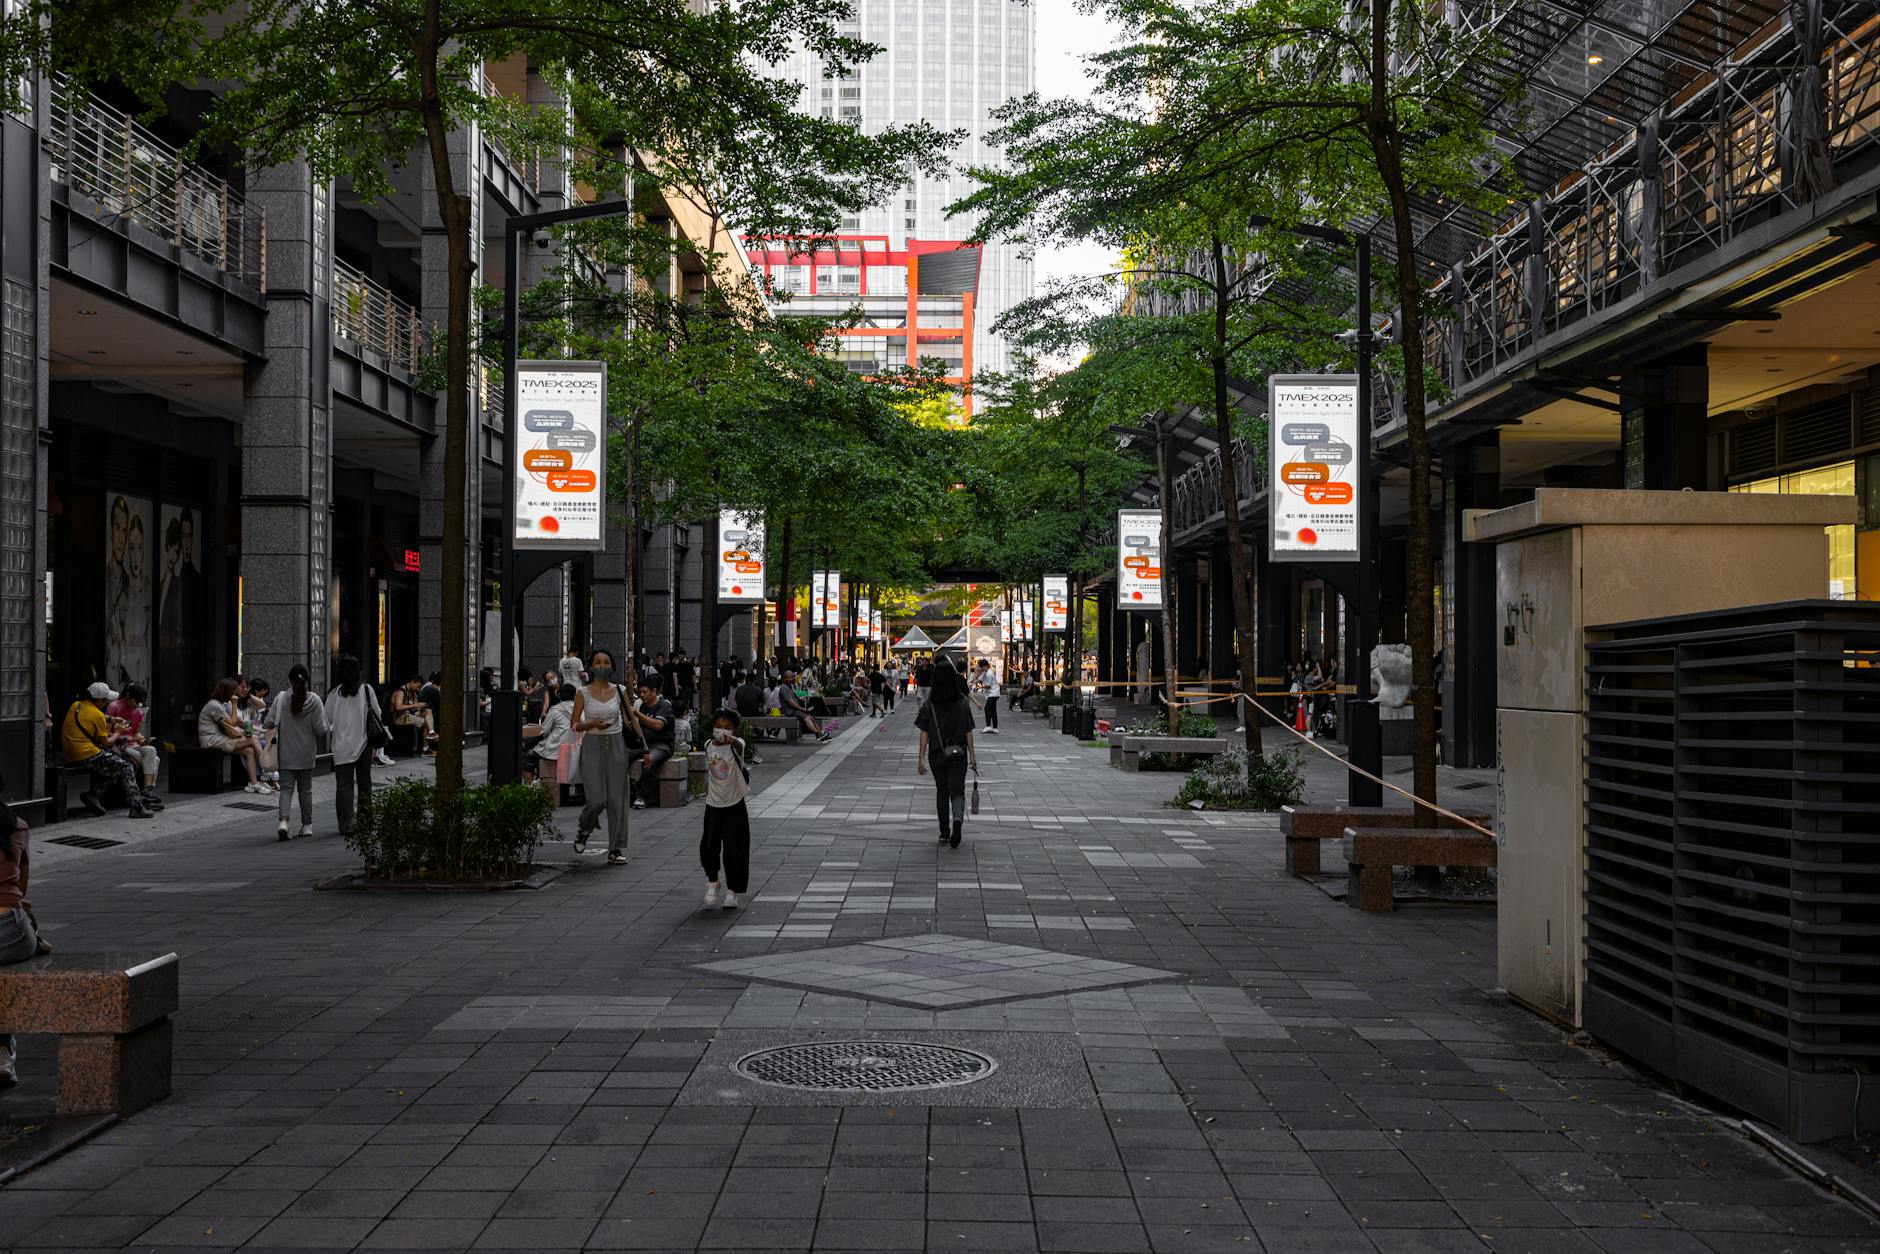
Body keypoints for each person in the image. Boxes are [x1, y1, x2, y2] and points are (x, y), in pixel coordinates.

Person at [0, 787, 45, 1088]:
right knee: (24, 911)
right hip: (10, 933)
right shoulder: (17, 825)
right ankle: (3, 1055)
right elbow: (22, 890)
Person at [571, 649, 632, 865]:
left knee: (617, 800)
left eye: (606, 662)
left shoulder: (620, 691)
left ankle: (615, 848)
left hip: (616, 744)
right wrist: (592, 724)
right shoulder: (582, 692)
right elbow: (575, 724)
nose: (602, 666)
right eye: (598, 662)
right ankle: (584, 828)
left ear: (612, 667)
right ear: (591, 667)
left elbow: (629, 719)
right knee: (597, 799)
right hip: (592, 744)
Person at [62, 682, 153, 819]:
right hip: (86, 754)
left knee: (113, 765)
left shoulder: (76, 705)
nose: (106, 703)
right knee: (125, 766)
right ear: (99, 700)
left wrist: (111, 718)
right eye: (105, 700)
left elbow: (95, 714)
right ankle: (137, 807)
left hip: (70, 752)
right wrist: (118, 732)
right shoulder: (97, 716)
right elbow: (107, 743)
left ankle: (93, 794)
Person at [915, 660, 978, 848]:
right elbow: (968, 731)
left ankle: (944, 832)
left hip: (937, 754)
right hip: (959, 752)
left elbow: (924, 732)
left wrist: (920, 758)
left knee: (942, 791)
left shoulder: (929, 705)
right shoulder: (962, 703)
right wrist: (973, 757)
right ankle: (957, 820)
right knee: (957, 791)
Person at [266, 663, 329, 841]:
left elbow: (269, 722)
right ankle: (307, 825)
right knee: (306, 790)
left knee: (286, 789)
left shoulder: (281, 698)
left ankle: (284, 823)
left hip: (286, 752)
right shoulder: (315, 700)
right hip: (306, 753)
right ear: (308, 681)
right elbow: (321, 729)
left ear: (289, 680)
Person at [700, 708, 751, 910]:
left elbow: (739, 746)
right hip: (713, 804)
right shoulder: (707, 745)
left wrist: (733, 740)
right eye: (719, 727)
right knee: (708, 847)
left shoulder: (736, 746)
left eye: (727, 728)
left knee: (735, 850)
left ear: (734, 730)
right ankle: (713, 881)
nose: (722, 731)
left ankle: (732, 890)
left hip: (734, 804)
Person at [327, 654, 378, 839]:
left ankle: (346, 824)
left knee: (344, 786)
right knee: (365, 784)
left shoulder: (334, 693)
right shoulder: (366, 690)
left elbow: (328, 718)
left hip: (340, 746)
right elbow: (377, 713)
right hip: (363, 743)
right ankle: (366, 821)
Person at [198, 678, 267, 793]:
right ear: (227, 691)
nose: (235, 693)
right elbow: (233, 722)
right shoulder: (215, 705)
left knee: (249, 751)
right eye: (233, 690)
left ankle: (254, 783)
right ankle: (266, 770)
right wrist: (234, 704)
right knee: (254, 739)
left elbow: (232, 724)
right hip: (211, 740)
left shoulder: (220, 704)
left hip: (219, 738)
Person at [105, 683, 163, 811]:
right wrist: (120, 736)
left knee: (152, 753)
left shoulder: (138, 711)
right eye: (135, 702)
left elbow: (136, 732)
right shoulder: (114, 707)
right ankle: (147, 795)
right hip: (120, 745)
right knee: (154, 759)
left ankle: (147, 792)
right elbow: (106, 733)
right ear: (128, 696)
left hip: (133, 745)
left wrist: (141, 738)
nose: (136, 706)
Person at [627, 676, 675, 811]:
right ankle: (627, 793)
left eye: (644, 692)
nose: (641, 695)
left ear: (654, 692)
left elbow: (658, 725)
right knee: (622, 756)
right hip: (644, 744)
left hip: (662, 745)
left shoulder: (664, 705)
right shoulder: (643, 706)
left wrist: (638, 715)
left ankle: (641, 796)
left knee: (650, 760)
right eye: (640, 692)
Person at [524, 684, 577, 784]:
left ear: (559, 695)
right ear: (575, 696)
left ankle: (529, 789)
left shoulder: (555, 710)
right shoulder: (580, 709)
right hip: (575, 749)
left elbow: (544, 731)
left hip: (555, 749)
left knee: (527, 760)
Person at [776, 670, 828, 741]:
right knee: (807, 718)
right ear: (784, 678)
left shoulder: (789, 687)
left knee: (811, 717)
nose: (791, 679)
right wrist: (801, 709)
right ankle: (817, 734)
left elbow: (797, 695)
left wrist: (806, 695)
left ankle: (820, 733)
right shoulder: (784, 688)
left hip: (794, 710)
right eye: (789, 678)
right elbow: (790, 702)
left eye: (792, 677)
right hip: (791, 711)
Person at [390, 675, 435, 754]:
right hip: (399, 717)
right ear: (413, 682)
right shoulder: (401, 691)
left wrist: (420, 706)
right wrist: (415, 705)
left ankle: (432, 732)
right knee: (426, 722)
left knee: (428, 711)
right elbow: (398, 707)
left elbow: (414, 707)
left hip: (408, 715)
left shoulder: (413, 693)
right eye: (418, 686)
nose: (418, 689)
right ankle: (425, 750)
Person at [972, 659, 1001, 734]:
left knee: (987, 709)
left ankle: (988, 726)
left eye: (981, 667)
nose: (980, 669)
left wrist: (978, 688)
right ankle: (995, 728)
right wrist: (971, 684)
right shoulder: (986, 672)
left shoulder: (989, 673)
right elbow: (979, 679)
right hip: (994, 693)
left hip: (993, 693)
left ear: (985, 666)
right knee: (993, 710)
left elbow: (988, 686)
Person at [670, 647, 696, 716]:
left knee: (686, 701)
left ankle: (686, 714)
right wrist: (676, 687)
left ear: (684, 655)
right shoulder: (676, 665)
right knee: (680, 702)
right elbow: (675, 677)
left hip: (688, 686)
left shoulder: (689, 665)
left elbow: (693, 675)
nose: (680, 656)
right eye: (679, 654)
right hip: (680, 686)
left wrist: (695, 685)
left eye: (681, 654)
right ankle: (681, 714)